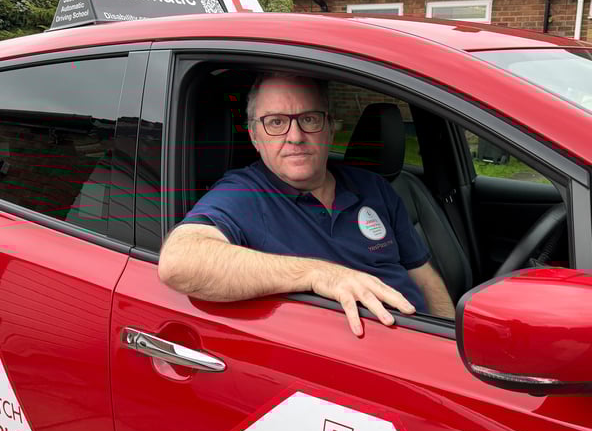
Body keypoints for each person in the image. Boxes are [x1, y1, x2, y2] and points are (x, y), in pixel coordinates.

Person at [158, 73, 455, 336]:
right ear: (254, 136)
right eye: (275, 122)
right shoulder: (243, 193)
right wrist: (318, 274)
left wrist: (451, 342)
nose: (295, 136)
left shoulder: (374, 187)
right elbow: (179, 261)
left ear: (329, 127)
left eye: (309, 119)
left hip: (425, 347)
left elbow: (425, 278)